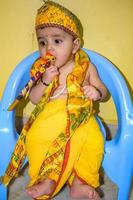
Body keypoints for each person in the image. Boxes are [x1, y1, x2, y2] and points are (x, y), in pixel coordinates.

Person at [2, 1, 108, 199]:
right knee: (35, 138)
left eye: (57, 41)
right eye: (43, 42)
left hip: (80, 117)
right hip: (49, 116)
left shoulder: (86, 68)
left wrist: (96, 92)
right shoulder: (41, 69)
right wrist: (44, 81)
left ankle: (80, 182)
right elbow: (34, 99)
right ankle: (46, 178)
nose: (48, 48)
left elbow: (104, 90)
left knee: (93, 141)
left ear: (75, 45)